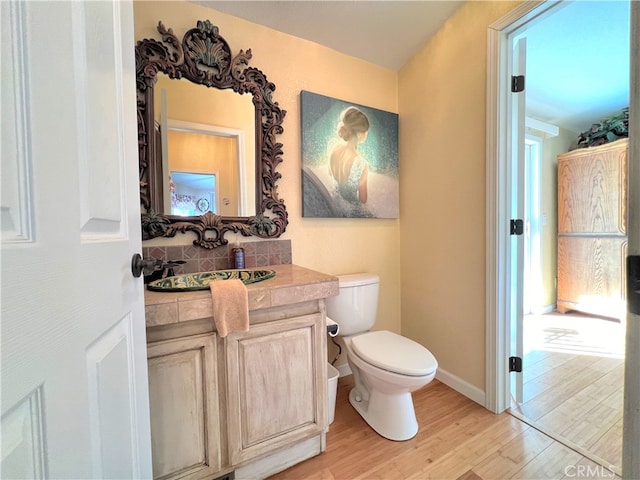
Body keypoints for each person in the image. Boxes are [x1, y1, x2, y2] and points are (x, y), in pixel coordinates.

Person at [329, 107, 370, 204]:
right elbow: (363, 200)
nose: (366, 133)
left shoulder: (333, 146)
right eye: (365, 130)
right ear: (360, 134)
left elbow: (330, 174)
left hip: (334, 202)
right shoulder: (361, 164)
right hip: (351, 212)